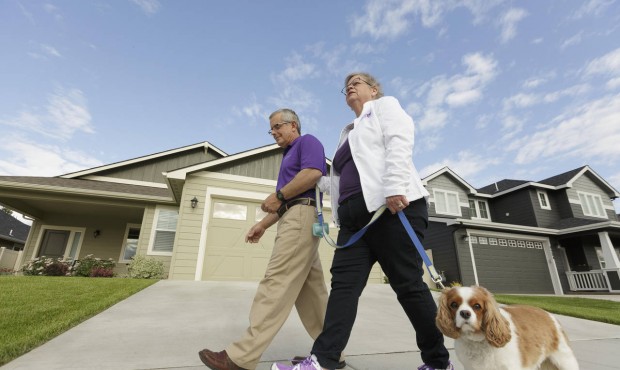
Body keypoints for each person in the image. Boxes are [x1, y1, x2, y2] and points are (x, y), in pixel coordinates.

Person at [271, 73, 453, 370]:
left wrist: (395, 185)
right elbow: (345, 179)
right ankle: (323, 359)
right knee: (343, 287)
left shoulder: (384, 107)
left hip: (393, 209)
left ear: (374, 89)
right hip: (354, 221)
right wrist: (318, 184)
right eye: (347, 85)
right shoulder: (348, 132)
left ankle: (438, 362)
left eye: (357, 81)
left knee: (408, 285)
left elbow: (400, 139)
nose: (350, 86)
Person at [199, 108, 330, 370]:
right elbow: (286, 202)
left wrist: (279, 196)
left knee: (276, 282)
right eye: (271, 129)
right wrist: (262, 224)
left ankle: (241, 357)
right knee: (311, 292)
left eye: (277, 126)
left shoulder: (307, 141)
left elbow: (314, 173)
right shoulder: (287, 155)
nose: (273, 132)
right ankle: (330, 352)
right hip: (295, 216)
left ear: (293, 125)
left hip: (301, 218)